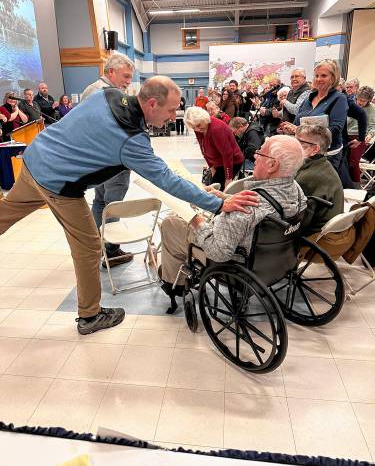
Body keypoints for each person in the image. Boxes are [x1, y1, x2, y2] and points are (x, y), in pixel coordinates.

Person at [0, 76, 257, 335]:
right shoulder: (132, 140)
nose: (172, 116)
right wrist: (216, 204)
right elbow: (168, 180)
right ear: (152, 104)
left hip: (35, 159)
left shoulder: (108, 95)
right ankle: (90, 316)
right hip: (58, 185)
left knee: (7, 211)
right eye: (170, 110)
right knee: (90, 247)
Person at [159, 135, 306, 313]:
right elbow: (261, 208)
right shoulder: (296, 190)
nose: (255, 156)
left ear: (272, 165)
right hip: (277, 260)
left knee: (171, 222)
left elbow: (218, 252)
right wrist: (223, 198)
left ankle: (174, 283)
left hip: (234, 263)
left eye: (260, 153)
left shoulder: (246, 208)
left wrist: (195, 219)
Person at [81, 53, 135, 268]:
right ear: (110, 71)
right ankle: (111, 252)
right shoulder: (106, 94)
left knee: (100, 201)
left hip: (96, 160)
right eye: (126, 76)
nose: (129, 81)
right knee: (113, 205)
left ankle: (97, 246)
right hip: (113, 161)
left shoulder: (90, 89)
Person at [281, 59, 348, 171]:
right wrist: (291, 129)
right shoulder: (308, 98)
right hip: (304, 154)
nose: (318, 79)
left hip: (326, 157)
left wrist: (300, 130)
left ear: (333, 78)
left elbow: (335, 129)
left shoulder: (339, 99)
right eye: (316, 75)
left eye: (323, 76)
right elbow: (297, 123)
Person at [295, 124, 344, 235]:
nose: (294, 146)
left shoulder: (307, 176)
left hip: (314, 238)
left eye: (300, 143)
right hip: (329, 234)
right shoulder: (323, 165)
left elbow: (291, 218)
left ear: (315, 149)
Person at [185, 106, 244, 190]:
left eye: (198, 125)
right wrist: (211, 167)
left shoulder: (216, 129)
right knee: (212, 187)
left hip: (232, 161)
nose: (197, 129)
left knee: (216, 190)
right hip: (218, 162)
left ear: (203, 119)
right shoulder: (199, 128)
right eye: (193, 127)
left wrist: (228, 178)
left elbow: (227, 153)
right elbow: (203, 149)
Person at [347, 86, 375, 184]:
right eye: (359, 99)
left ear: (369, 100)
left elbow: (372, 125)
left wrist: (370, 134)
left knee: (353, 163)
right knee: (344, 163)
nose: (360, 102)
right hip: (346, 135)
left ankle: (355, 186)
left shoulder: (371, 110)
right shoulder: (351, 105)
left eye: (363, 101)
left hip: (360, 137)